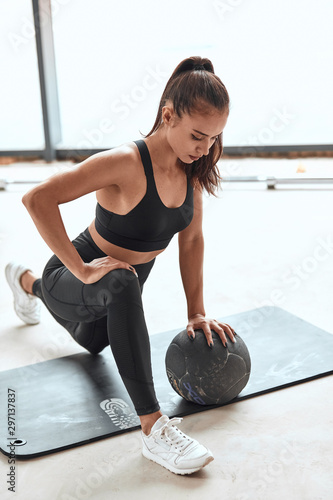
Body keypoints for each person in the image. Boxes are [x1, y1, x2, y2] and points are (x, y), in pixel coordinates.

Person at [5, 56, 236, 475]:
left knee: (95, 342)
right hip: (75, 277)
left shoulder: (192, 169)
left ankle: (24, 282)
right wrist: (83, 270)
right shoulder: (126, 162)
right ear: (168, 115)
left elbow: (192, 239)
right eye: (198, 136)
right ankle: (153, 430)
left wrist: (196, 312)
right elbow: (37, 198)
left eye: (214, 138)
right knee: (120, 282)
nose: (205, 149)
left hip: (105, 299)